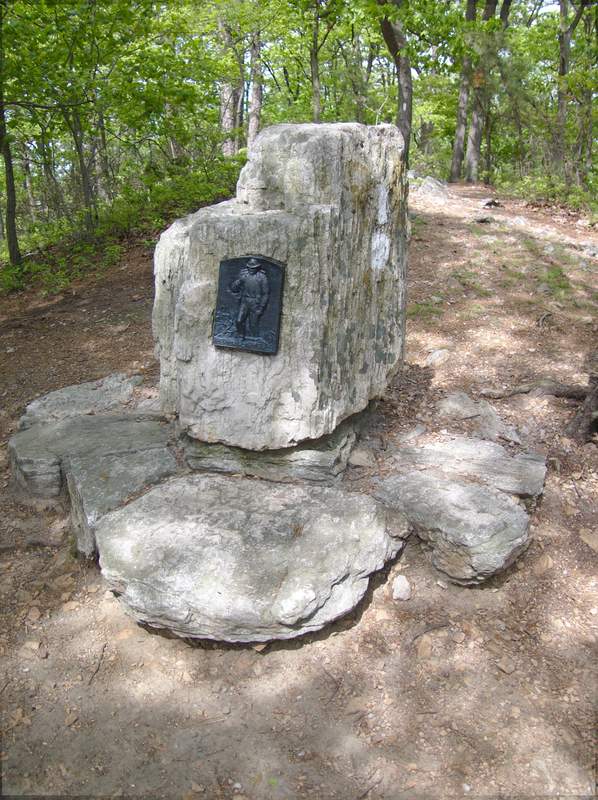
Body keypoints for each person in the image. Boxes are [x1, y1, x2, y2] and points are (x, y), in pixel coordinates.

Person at [229, 257, 270, 339]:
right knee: (239, 320)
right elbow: (233, 289)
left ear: (257, 267)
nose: (251, 269)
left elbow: (266, 294)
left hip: (256, 302)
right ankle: (241, 336)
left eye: (253, 268)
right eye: (249, 267)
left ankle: (255, 340)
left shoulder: (262, 277)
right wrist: (238, 282)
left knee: (253, 324)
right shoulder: (244, 275)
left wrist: (261, 307)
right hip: (245, 301)